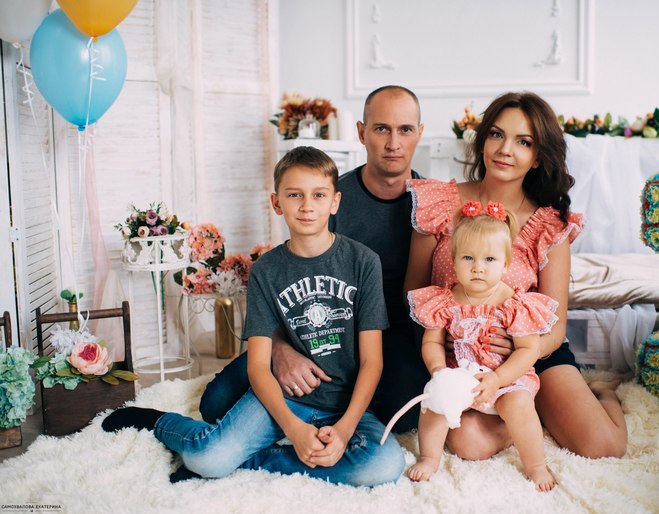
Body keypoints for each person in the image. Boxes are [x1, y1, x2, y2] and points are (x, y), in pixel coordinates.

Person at [103, 147, 405, 486]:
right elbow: (259, 366)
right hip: (285, 398)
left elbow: (372, 362)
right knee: (209, 457)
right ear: (276, 203)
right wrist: (294, 429)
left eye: (319, 195)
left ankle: (256, 459)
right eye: (295, 195)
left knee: (384, 466)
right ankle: (159, 422)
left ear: (335, 202)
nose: (307, 206)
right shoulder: (267, 270)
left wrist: (346, 428)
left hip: (345, 403)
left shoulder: (363, 262)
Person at [404, 91, 628, 460]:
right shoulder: (439, 203)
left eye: (523, 142)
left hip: (531, 353)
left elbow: (555, 327)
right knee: (469, 443)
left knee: (604, 446)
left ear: (538, 156)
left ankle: (600, 393)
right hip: (460, 357)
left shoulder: (549, 225)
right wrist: (442, 345)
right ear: (483, 141)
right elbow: (414, 294)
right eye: (496, 134)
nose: (505, 149)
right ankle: (525, 414)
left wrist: (521, 351)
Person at [198, 85, 430, 433]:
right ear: (362, 132)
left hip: (391, 336)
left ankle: (337, 413)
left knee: (408, 411)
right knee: (215, 404)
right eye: (382, 128)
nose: (393, 143)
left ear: (419, 133)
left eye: (405, 130)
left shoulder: (433, 202)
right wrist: (279, 349)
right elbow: (289, 276)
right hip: (316, 326)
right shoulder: (327, 199)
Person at [406, 204, 558, 491]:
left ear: (505, 263)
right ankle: (429, 458)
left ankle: (536, 465)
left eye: (489, 259)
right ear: (454, 261)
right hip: (461, 378)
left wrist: (498, 379)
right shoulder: (445, 300)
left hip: (505, 378)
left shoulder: (514, 303)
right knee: (434, 400)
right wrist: (439, 371)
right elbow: (432, 341)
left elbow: (528, 350)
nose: (478, 267)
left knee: (518, 404)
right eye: (468, 258)